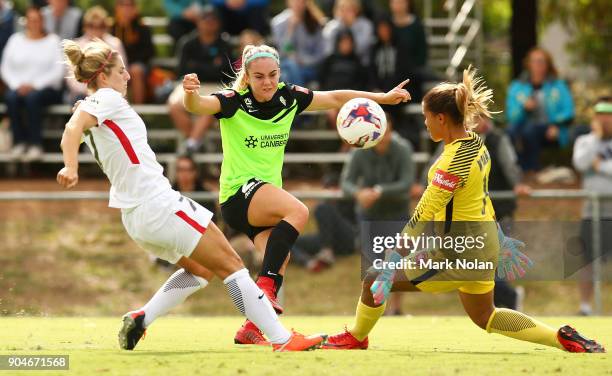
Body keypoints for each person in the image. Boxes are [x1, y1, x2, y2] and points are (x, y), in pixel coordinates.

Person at [58, 39, 326, 352]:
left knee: (201, 270)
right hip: (158, 204)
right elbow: (72, 127)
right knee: (232, 264)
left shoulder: (95, 103)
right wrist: (70, 167)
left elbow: (75, 125)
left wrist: (73, 150)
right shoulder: (106, 97)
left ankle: (143, 318)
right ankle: (282, 338)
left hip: (135, 218)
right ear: (103, 77)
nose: (128, 76)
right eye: (121, 71)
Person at [321, 66, 605, 353]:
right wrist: (500, 240)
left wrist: (392, 261)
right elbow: (480, 198)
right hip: (481, 244)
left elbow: (424, 212)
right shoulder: (477, 145)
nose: (425, 124)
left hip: (458, 252)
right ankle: (561, 336)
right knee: (486, 316)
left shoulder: (452, 162)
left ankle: (356, 336)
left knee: (373, 276)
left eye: (426, 118)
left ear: (441, 118)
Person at [145, 43, 408, 346]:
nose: (267, 82)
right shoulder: (235, 101)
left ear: (279, 73)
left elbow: (336, 97)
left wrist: (382, 98)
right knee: (299, 211)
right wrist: (190, 94)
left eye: (272, 74)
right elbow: (199, 107)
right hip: (238, 194)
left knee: (278, 258)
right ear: (247, 76)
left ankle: (252, 327)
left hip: (263, 199)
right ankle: (266, 289)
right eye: (259, 77)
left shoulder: (289, 96)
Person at [414, 114, 531, 310]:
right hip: (474, 225)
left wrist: (518, 184)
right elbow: (435, 162)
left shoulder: (494, 139)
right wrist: (420, 184)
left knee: (488, 270)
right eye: (471, 117)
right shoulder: (462, 142)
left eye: (478, 117)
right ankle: (508, 301)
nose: (474, 121)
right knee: (485, 298)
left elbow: (510, 165)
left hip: (494, 216)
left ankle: (510, 299)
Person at [340, 116, 415, 315]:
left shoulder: (403, 148)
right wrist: (359, 193)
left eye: (385, 132)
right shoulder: (360, 150)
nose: (382, 137)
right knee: (372, 266)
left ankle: (396, 309)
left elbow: (407, 182)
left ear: (391, 129)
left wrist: (380, 191)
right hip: (369, 215)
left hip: (397, 213)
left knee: (398, 264)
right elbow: (346, 182)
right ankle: (371, 309)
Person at [1, 6, 64, 162]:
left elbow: (58, 70)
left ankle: (36, 144)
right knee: (10, 98)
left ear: (42, 21)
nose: (34, 23)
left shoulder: (53, 41)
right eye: (31, 20)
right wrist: (17, 85)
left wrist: (35, 85)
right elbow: (5, 67)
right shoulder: (15, 40)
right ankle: (19, 142)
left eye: (37, 20)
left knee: (32, 98)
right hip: (18, 88)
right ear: (26, 22)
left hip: (46, 90)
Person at [167, 6, 233, 153]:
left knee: (208, 106)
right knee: (174, 105)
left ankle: (191, 146)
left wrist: (197, 66)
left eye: (213, 19)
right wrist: (211, 67)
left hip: (216, 86)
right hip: (189, 85)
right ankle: (196, 142)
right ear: (198, 22)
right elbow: (182, 71)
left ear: (218, 23)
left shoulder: (224, 44)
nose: (209, 23)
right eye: (205, 19)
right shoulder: (187, 43)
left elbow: (226, 73)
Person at [572, 96, 612, 316]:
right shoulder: (586, 141)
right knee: (587, 260)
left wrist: (601, 166)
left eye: (609, 115)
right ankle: (585, 306)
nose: (605, 120)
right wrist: (596, 138)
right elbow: (580, 163)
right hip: (591, 212)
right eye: (601, 115)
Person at [506, 47, 575, 172]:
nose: (538, 65)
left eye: (541, 61)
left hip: (549, 128)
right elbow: (511, 116)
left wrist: (556, 124)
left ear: (548, 64)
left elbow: (569, 111)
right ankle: (517, 170)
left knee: (530, 130)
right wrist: (524, 108)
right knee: (511, 131)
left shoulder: (558, 86)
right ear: (528, 64)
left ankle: (532, 170)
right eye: (534, 61)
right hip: (523, 127)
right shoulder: (517, 87)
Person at [66, 6, 128, 104]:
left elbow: (122, 71)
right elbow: (72, 77)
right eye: (91, 26)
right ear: (85, 27)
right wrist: (91, 91)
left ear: (106, 27)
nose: (96, 30)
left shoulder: (115, 44)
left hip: (111, 92)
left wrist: (105, 91)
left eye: (101, 26)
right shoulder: (77, 45)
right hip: (82, 93)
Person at [271, 0, 327, 86]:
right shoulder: (278, 22)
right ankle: (301, 96)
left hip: (309, 67)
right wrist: (290, 29)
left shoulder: (316, 21)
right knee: (290, 66)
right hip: (285, 64)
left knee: (286, 76)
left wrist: (304, 60)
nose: (297, 3)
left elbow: (321, 53)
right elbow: (282, 51)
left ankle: (296, 97)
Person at [112, 0, 155, 104]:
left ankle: (137, 112)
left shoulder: (142, 27)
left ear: (135, 8)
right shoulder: (112, 27)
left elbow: (149, 53)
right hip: (116, 65)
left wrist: (127, 65)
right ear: (117, 8)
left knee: (135, 70)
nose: (126, 8)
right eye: (122, 5)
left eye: (130, 5)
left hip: (138, 66)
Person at [389, 0, 427, 102]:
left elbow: (422, 54)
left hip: (411, 75)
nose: (398, 5)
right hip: (389, 73)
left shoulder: (417, 25)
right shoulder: (386, 24)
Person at [322, 0, 373, 66]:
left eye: (348, 9)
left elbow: (360, 49)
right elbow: (328, 51)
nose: (344, 13)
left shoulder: (366, 25)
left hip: (360, 66)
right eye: (342, 9)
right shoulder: (331, 27)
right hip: (337, 66)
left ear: (356, 10)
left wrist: (351, 26)